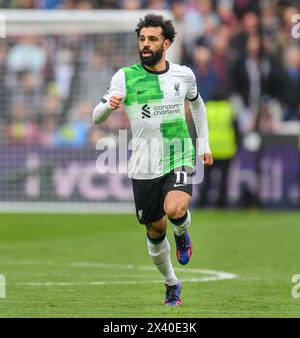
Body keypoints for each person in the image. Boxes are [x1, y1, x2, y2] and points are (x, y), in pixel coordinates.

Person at [92, 14, 213, 306]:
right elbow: (96, 117)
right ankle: (172, 283)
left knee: (175, 209)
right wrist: (108, 107)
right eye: (142, 39)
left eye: (152, 39)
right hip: (144, 165)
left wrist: (203, 145)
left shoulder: (184, 75)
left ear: (167, 43)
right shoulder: (125, 76)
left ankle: (182, 232)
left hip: (179, 154)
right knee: (155, 230)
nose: (145, 44)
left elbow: (198, 105)